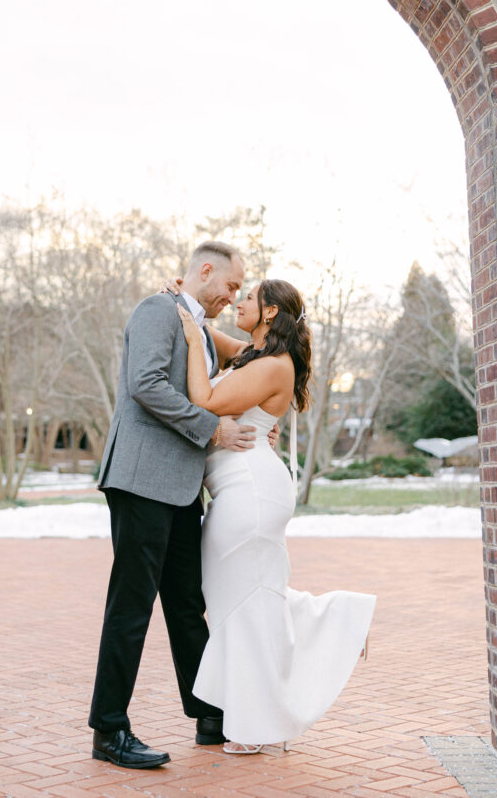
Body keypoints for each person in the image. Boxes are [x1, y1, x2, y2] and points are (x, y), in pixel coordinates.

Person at [176, 278, 376, 755]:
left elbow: (203, 402)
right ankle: (340, 619)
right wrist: (190, 312)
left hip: (251, 491)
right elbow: (210, 334)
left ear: (268, 313)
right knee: (245, 599)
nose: (238, 303)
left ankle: (252, 723)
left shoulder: (272, 366)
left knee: (239, 604)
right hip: (241, 489)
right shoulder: (253, 355)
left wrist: (187, 341)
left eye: (247, 298)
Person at [89, 241, 265, 769]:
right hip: (142, 480)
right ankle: (109, 730)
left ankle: (210, 714)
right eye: (230, 286)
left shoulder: (199, 329)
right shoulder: (155, 310)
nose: (232, 297)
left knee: (187, 603)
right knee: (132, 604)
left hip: (184, 489)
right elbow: (145, 384)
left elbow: (255, 358)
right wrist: (213, 429)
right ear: (204, 271)